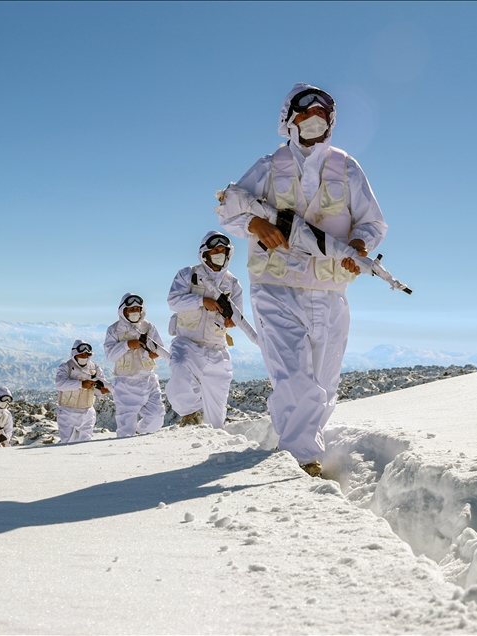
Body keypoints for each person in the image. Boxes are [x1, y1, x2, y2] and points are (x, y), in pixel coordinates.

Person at [216, 83, 387, 477]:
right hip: (275, 288)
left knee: (323, 384)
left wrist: (358, 244)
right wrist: (256, 223)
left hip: (329, 291)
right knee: (293, 375)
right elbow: (228, 209)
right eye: (304, 113)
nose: (313, 120)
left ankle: (298, 438)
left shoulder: (348, 168)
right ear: (287, 120)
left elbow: (372, 222)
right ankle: (301, 460)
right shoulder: (268, 166)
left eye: (321, 115)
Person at [165, 231, 244, 429]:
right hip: (187, 343)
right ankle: (190, 414)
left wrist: (230, 321)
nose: (219, 253)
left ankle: (214, 441)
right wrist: (201, 301)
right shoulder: (188, 274)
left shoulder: (233, 283)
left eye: (222, 250)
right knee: (180, 367)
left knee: (217, 409)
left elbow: (238, 315)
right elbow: (173, 301)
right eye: (215, 250)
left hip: (217, 348)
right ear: (205, 253)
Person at [103, 293, 168, 438]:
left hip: (148, 379)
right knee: (126, 429)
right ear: (123, 310)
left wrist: (154, 354)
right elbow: (110, 355)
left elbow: (159, 347)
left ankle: (140, 431)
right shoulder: (114, 330)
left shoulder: (149, 327)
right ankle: (126, 455)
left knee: (157, 418)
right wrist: (127, 345)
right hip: (126, 382)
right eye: (131, 309)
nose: (134, 312)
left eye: (137, 309)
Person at [55, 340, 111, 443]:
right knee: (67, 443)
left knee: (85, 443)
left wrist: (102, 391)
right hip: (68, 412)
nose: (84, 356)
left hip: (87, 412)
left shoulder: (94, 368)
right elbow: (60, 384)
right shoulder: (66, 367)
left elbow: (98, 388)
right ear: (74, 353)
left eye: (87, 354)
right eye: (81, 353)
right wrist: (81, 384)